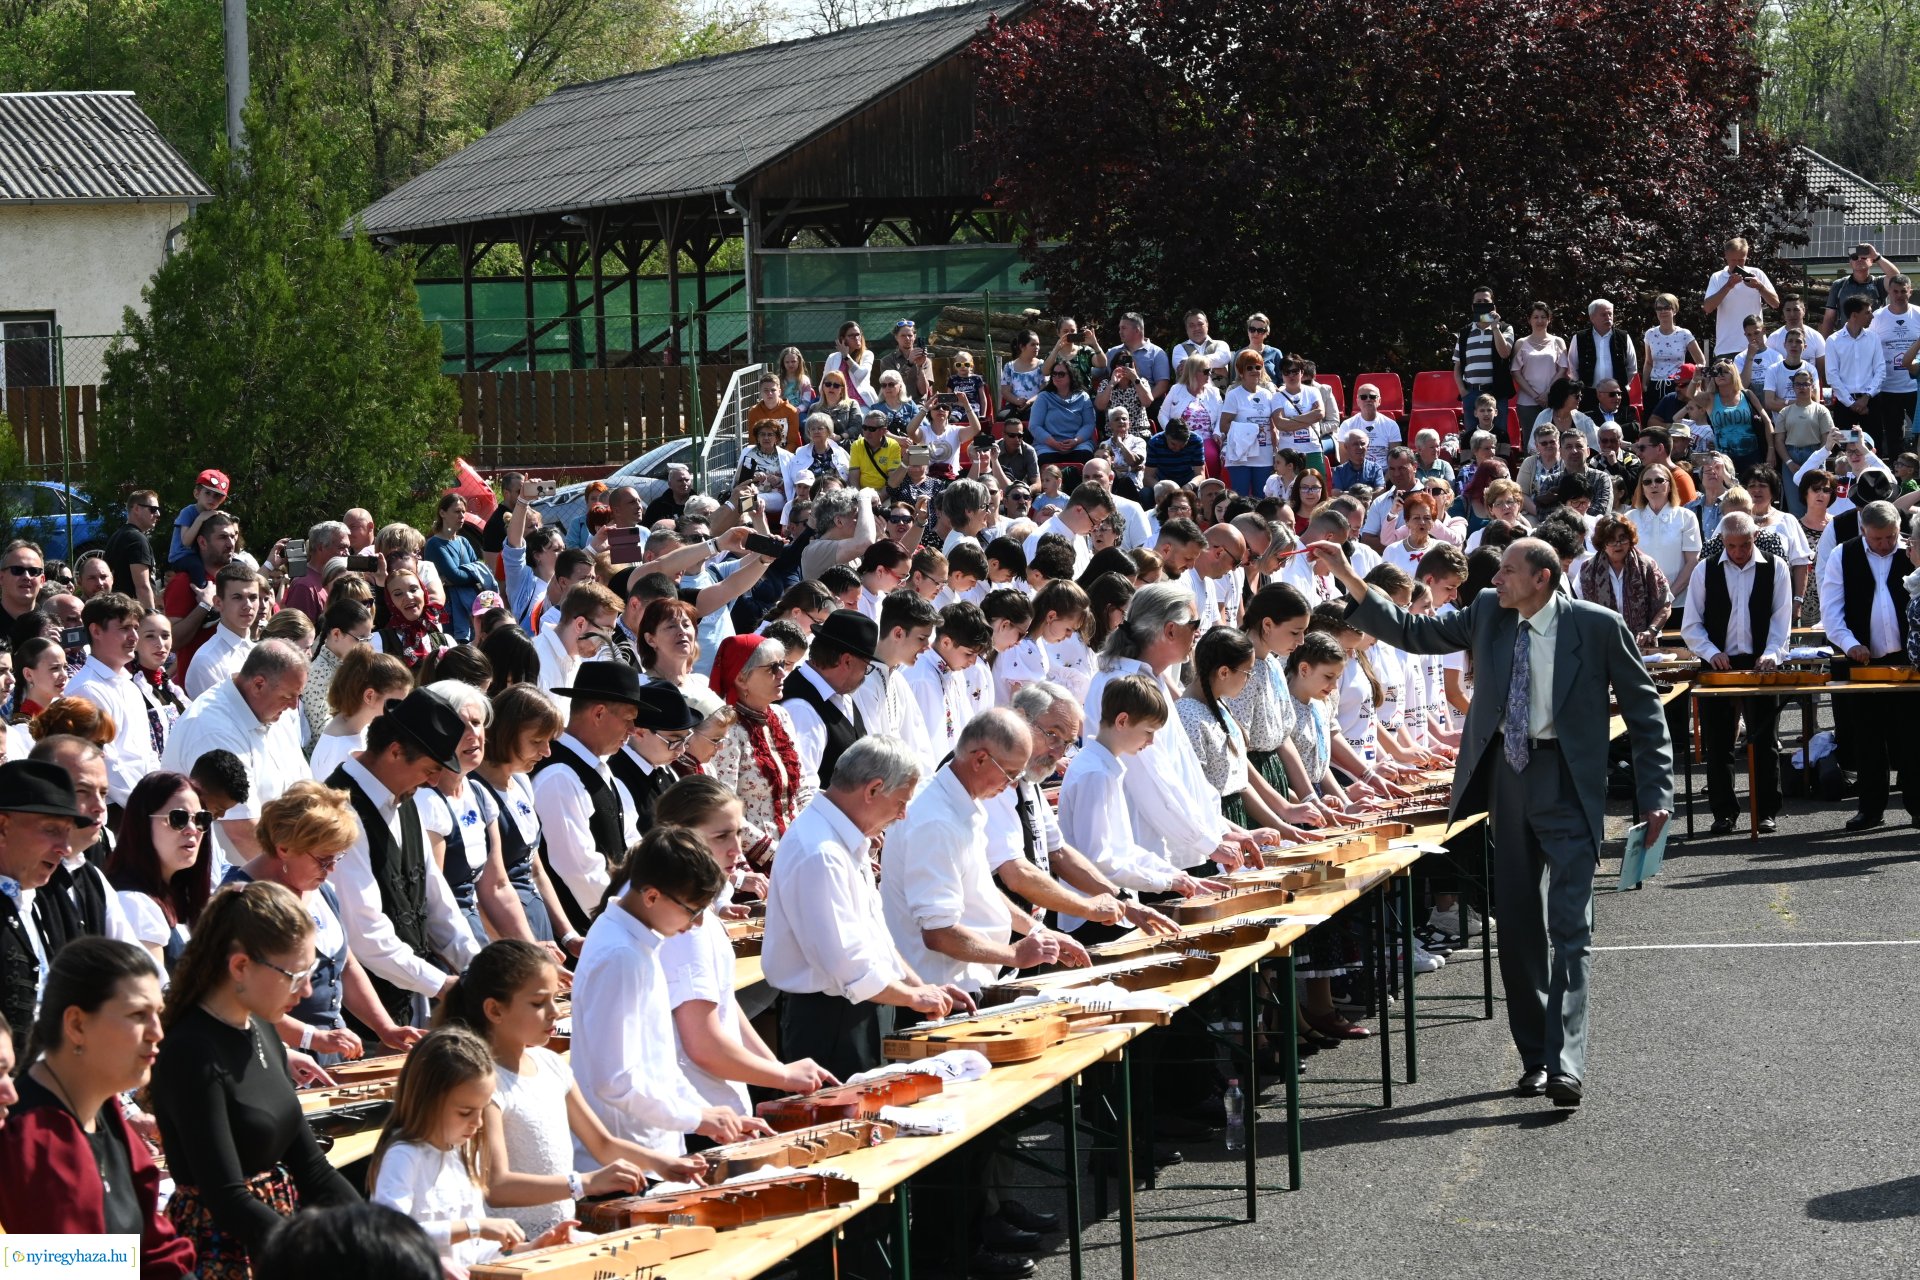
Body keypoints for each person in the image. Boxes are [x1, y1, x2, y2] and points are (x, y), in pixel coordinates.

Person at [1306, 536, 1672, 1108]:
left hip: (1570, 784)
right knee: (1520, 927)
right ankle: (1536, 1059)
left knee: (1571, 929)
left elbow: (1647, 714)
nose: (1494, 579)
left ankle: (1566, 1065)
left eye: (1506, 571)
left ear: (1542, 579)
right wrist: (1349, 578)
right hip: (1507, 780)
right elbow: (1414, 632)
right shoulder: (1485, 613)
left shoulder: (1599, 627)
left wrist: (1655, 795)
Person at [148, 881, 359, 1273]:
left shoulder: (261, 1027)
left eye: (311, 971)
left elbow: (312, 1168)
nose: (308, 989)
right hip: (225, 1253)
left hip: (277, 1239)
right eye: (296, 976)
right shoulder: (191, 1053)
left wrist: (377, 1235)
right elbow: (227, 1199)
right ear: (240, 966)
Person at [436, 940, 704, 1239]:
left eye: (555, 999)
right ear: (495, 1010)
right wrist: (584, 1183)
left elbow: (602, 1143)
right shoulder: (482, 1084)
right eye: (538, 1003)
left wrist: (663, 1163)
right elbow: (496, 1187)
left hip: (561, 1234)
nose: (554, 1012)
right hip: (512, 1247)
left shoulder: (551, 1065)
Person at [762, 735, 966, 1080]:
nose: (902, 815)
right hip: (832, 1022)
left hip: (853, 1011)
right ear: (872, 790)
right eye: (901, 802)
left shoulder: (840, 838)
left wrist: (919, 987)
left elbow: (874, 940)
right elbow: (850, 966)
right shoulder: (821, 852)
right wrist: (915, 997)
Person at [571, 826, 773, 1159]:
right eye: (693, 911)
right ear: (651, 896)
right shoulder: (621, 956)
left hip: (655, 1150)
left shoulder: (636, 940)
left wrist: (713, 1114)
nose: (695, 925)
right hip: (630, 1159)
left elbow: (659, 1064)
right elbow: (615, 1079)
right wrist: (697, 1117)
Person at [0, 936, 195, 1276]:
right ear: (76, 1025)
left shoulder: (103, 1108)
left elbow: (154, 1249)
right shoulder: (32, 1138)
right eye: (138, 1015)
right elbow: (64, 1268)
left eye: (158, 1015)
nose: (157, 1032)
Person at [654, 777, 838, 1110]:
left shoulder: (699, 910)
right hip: (695, 1112)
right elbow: (703, 1045)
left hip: (713, 1105)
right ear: (679, 835)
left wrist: (780, 1073)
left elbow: (722, 1003)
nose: (737, 850)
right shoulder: (681, 922)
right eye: (721, 836)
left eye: (738, 833)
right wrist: (781, 1078)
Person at [881, 710, 1071, 994]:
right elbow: (939, 933)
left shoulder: (956, 802)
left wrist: (1036, 930)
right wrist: (1014, 955)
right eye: (1010, 773)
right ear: (980, 759)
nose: (1012, 785)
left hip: (961, 984)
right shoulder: (936, 822)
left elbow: (977, 888)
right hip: (943, 992)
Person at [330, 688, 480, 1031]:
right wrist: (442, 985)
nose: (433, 781)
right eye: (429, 769)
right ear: (395, 751)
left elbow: (437, 901)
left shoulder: (406, 799)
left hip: (408, 1003)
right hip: (363, 1019)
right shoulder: (342, 812)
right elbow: (365, 935)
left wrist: (478, 968)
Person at [370, 1027, 578, 1267]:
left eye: (482, 1110)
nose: (478, 1123)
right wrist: (474, 1227)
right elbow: (389, 1233)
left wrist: (530, 1250)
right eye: (465, 1112)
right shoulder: (403, 1156)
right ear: (429, 1100)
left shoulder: (464, 1153)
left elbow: (477, 1253)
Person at [1679, 512, 1791, 836]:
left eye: (1744, 545)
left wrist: (1771, 654)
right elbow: (1691, 624)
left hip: (1761, 663)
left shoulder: (1776, 567)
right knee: (1718, 741)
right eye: (1731, 546)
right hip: (1718, 663)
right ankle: (1724, 812)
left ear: (1754, 537)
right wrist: (1712, 653)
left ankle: (1766, 811)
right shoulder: (1704, 569)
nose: (1739, 552)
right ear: (1722, 542)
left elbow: (1780, 622)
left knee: (1765, 741)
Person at [160, 640, 311, 863]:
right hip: (228, 880)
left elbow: (304, 785)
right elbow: (242, 832)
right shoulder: (212, 728)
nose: (293, 705)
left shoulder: (273, 708)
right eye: (289, 696)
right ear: (258, 684)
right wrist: (293, 874)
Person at [531, 662, 648, 937]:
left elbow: (633, 845)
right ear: (598, 713)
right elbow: (579, 870)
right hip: (586, 937)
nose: (633, 730)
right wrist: (627, 922)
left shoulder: (600, 769)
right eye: (629, 718)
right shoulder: (560, 776)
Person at [1819, 501, 1916, 831]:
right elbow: (1832, 614)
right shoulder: (1841, 556)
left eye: (1891, 537)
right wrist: (1850, 644)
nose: (1886, 545)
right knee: (1868, 736)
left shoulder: (1910, 552)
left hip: (1907, 660)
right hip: (1861, 661)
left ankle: (1917, 807)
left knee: (1912, 735)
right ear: (1863, 531)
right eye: (1878, 539)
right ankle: (1870, 809)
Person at [104, 771, 212, 977]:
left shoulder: (180, 894)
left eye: (201, 819)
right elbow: (155, 998)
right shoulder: (132, 903)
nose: (192, 829)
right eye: (178, 818)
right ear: (142, 825)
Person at [64, 591, 161, 807]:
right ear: (96, 631)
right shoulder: (85, 690)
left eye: (136, 628)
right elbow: (105, 763)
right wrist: (144, 807)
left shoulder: (130, 686)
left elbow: (147, 754)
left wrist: (159, 796)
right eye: (125, 628)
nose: (134, 637)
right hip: (113, 810)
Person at [779, 608, 877, 783]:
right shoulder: (800, 709)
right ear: (846, 661)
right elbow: (802, 788)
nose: (865, 675)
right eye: (866, 667)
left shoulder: (839, 694)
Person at [308, 648, 413, 783]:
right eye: (394, 704)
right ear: (370, 696)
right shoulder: (343, 753)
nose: (399, 712)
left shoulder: (357, 728)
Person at [1624, 464, 1702, 627]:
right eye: (1647, 482)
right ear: (1642, 488)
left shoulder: (1686, 517)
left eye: (1659, 480)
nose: (1653, 485)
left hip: (1679, 604)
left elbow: (1692, 561)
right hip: (1640, 605)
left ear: (1670, 485)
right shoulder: (1629, 518)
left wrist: (1668, 597)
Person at [1579, 516, 1672, 649]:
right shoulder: (1587, 570)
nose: (1618, 544)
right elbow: (1583, 613)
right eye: (1611, 540)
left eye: (1622, 538)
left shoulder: (1647, 565)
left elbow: (1666, 606)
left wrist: (1651, 631)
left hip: (1643, 648)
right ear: (1602, 543)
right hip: (1603, 648)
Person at [185, 565, 264, 700]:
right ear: (218, 603)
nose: (248, 605)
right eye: (238, 597)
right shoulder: (206, 661)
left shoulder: (261, 651)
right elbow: (216, 718)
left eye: (253, 597)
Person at [1703, 236, 1781, 357]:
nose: (1737, 264)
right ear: (1726, 256)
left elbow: (1775, 303)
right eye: (1733, 260)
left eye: (1741, 260)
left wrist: (1760, 287)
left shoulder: (1757, 274)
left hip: (1757, 345)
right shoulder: (1717, 277)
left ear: (1746, 256)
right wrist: (1728, 286)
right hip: (1727, 347)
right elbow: (1707, 308)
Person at [1454, 286, 1515, 427]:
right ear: (1472, 306)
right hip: (1471, 394)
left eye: (1485, 301)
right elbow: (1457, 366)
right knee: (1471, 437)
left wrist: (1494, 327)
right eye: (1478, 302)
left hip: (1497, 393)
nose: (1482, 304)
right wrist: (1463, 392)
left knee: (1499, 436)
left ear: (1493, 306)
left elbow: (1504, 353)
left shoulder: (1505, 328)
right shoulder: (1464, 332)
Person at [1869, 274, 1918, 445]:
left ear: (1910, 292)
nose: (1899, 295)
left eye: (1903, 291)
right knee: (1892, 434)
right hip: (1888, 386)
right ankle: (1896, 469)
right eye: (1895, 291)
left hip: (1915, 387)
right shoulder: (1877, 317)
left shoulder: (1919, 314)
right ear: (1889, 291)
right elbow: (1870, 349)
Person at [1827, 294, 1886, 433]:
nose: (1872, 316)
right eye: (1867, 313)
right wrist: (1851, 403)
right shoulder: (1833, 341)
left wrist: (1866, 397)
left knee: (1873, 447)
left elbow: (1880, 370)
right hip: (1844, 405)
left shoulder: (1873, 338)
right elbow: (1832, 375)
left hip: (1871, 403)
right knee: (1846, 448)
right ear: (1854, 315)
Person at [1567, 299, 1637, 414]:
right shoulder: (1580, 338)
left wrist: (1620, 387)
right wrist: (1580, 388)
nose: (1608, 317)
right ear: (1592, 317)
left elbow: (1632, 368)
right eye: (1603, 314)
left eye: (1610, 314)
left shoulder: (1623, 337)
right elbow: (1572, 367)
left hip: (1616, 396)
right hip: (1588, 395)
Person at [1822, 241, 1901, 336]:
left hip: (1875, 339)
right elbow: (1829, 318)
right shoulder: (1839, 285)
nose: (1859, 259)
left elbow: (1896, 278)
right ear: (1850, 261)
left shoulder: (1879, 283)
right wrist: (1826, 345)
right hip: (1846, 340)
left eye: (1864, 257)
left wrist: (1876, 256)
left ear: (1871, 261)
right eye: (1855, 257)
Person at [1641, 293, 1705, 406]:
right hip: (1655, 385)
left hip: (1678, 385)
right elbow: (1648, 362)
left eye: (1667, 308)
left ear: (1674, 310)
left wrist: (1695, 383)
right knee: (1652, 421)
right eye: (1659, 308)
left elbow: (1701, 362)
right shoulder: (1650, 334)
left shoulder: (1684, 334)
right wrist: (1644, 385)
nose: (1663, 311)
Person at [105, 490, 162, 610]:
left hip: (119, 610)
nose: (158, 514)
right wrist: (150, 616)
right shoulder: (137, 539)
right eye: (153, 509)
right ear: (136, 509)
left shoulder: (117, 536)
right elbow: (142, 586)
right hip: (134, 613)